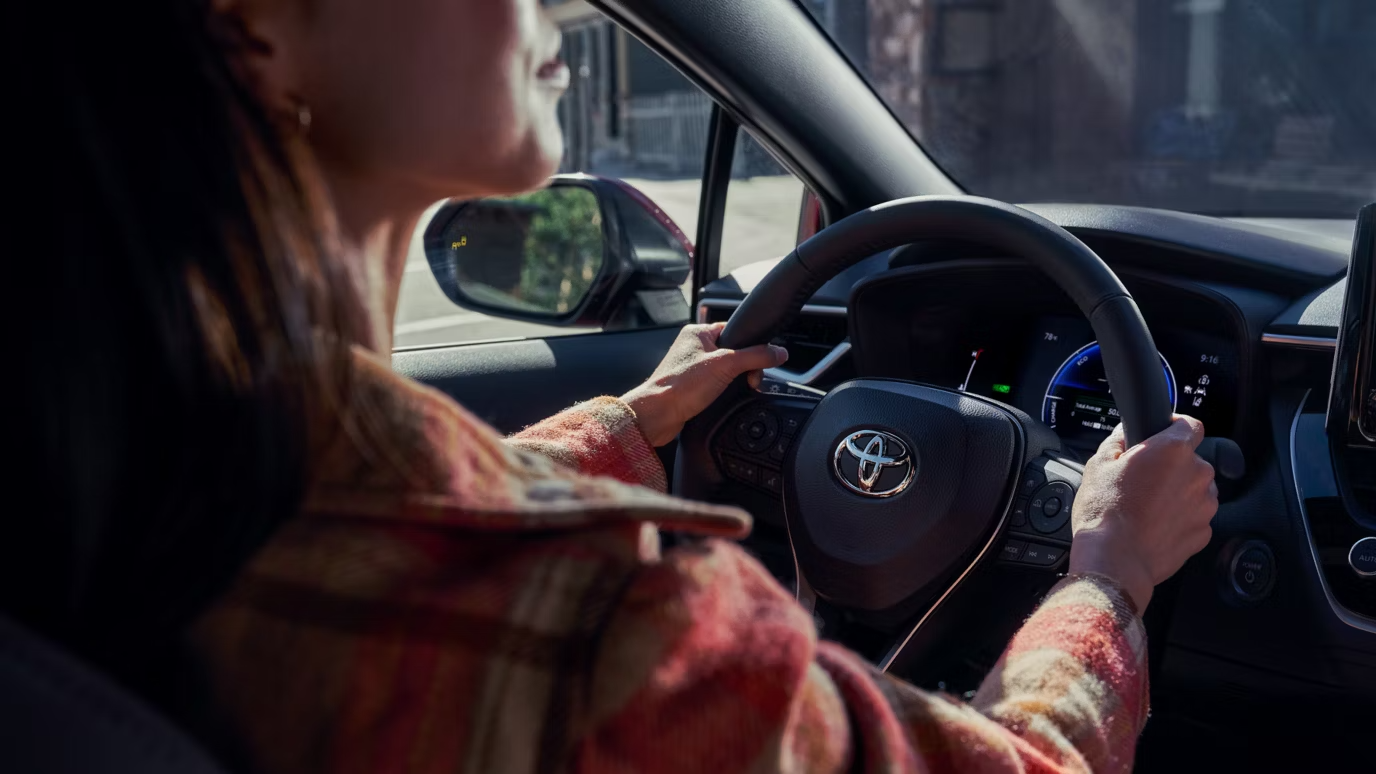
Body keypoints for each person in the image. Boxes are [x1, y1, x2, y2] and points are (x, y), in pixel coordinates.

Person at [15, 0, 1217, 771]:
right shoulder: (593, 641)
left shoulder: (138, 474)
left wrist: (633, 423)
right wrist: (1106, 573)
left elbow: (407, 526)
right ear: (254, 25)